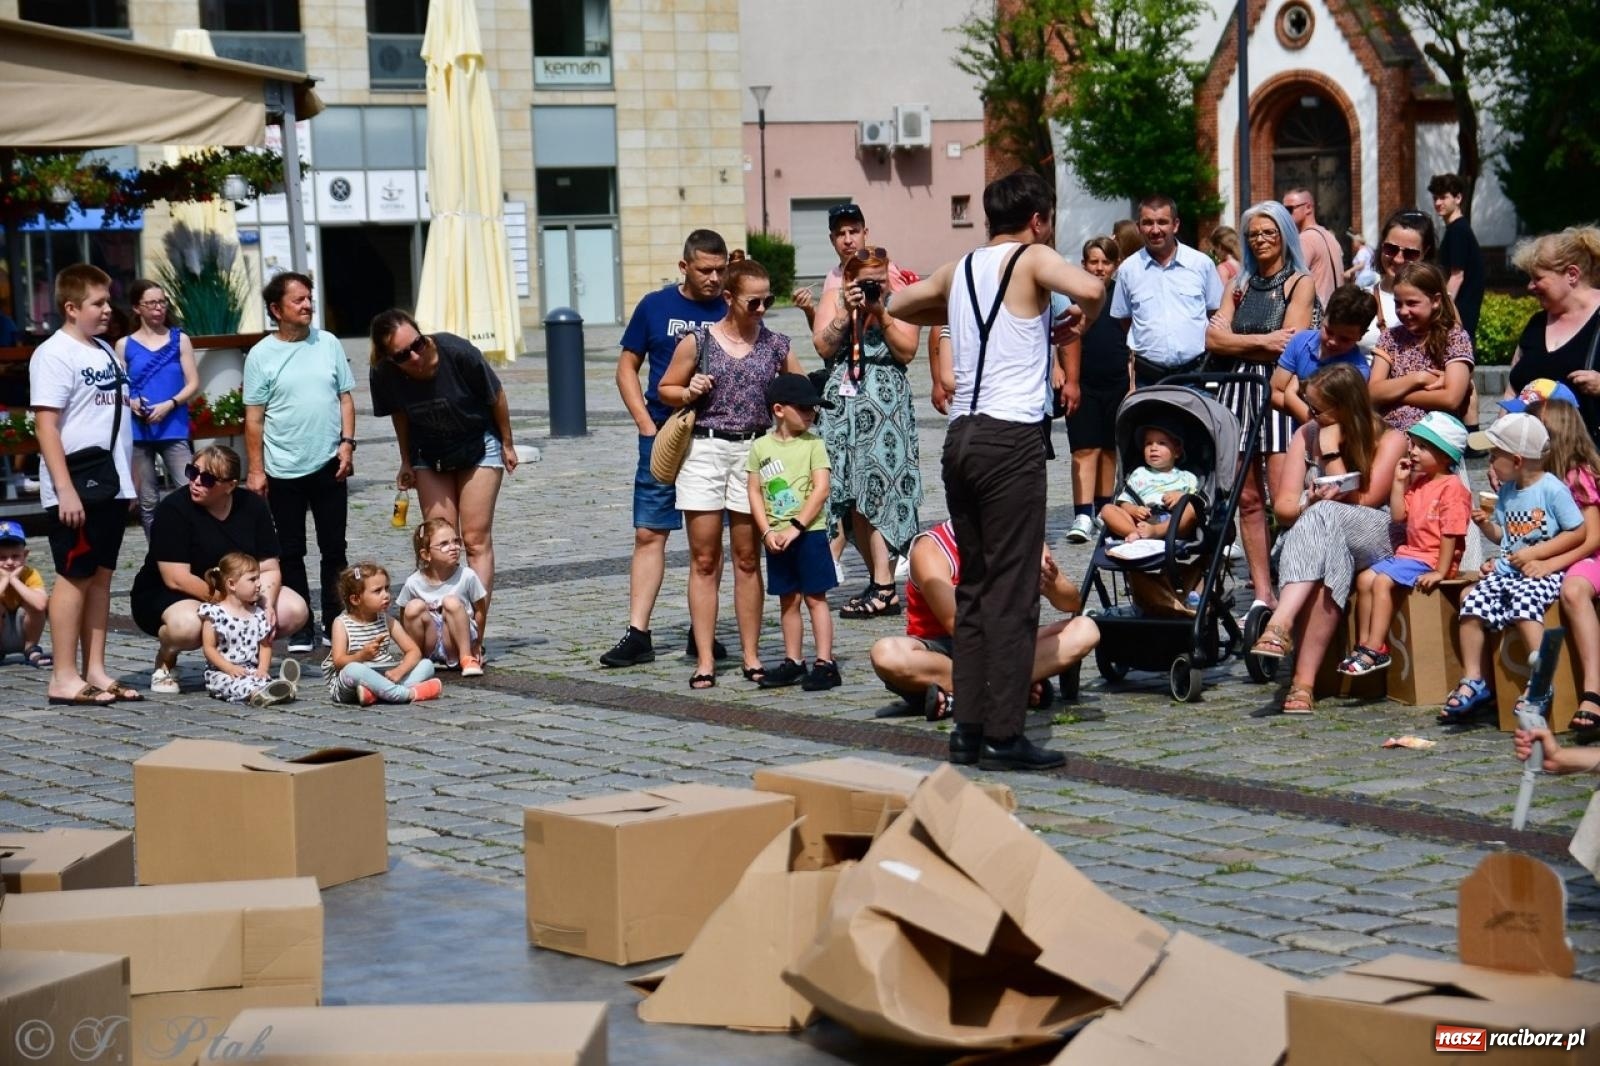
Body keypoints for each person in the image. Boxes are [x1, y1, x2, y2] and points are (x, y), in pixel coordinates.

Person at [886, 168, 1105, 771]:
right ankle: (1004, 734)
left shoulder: (960, 268)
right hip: (1011, 439)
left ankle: (968, 729)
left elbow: (900, 303)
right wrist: (1076, 318)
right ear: (1037, 219)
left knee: (976, 589)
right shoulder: (1034, 258)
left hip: (961, 436)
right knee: (1011, 594)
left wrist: (960, 316)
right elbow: (1089, 288)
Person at [658, 256, 805, 689]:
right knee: (704, 560)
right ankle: (704, 658)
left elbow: (799, 392)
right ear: (729, 298)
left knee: (747, 559)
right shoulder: (697, 341)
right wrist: (688, 390)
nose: (762, 309)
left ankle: (751, 654)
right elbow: (665, 388)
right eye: (753, 302)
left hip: (754, 454)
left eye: (767, 301)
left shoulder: (776, 344)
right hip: (704, 449)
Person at [602, 230, 730, 668]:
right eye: (704, 270)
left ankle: (703, 632)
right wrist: (644, 424)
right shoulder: (655, 306)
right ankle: (639, 633)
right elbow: (626, 368)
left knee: (707, 544)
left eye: (720, 269)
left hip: (715, 437)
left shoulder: (731, 307)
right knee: (648, 532)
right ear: (684, 267)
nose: (713, 278)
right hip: (664, 434)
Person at [1248, 364, 1408, 713]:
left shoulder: (1391, 439)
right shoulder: (1305, 433)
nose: (1310, 415)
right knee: (1327, 551)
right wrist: (1310, 502)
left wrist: (1331, 453)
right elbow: (1285, 507)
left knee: (1326, 515)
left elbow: (1368, 500)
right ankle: (1303, 687)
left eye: (1318, 409)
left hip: (1374, 531)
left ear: (1346, 408)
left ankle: (1279, 624)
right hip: (1317, 538)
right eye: (1309, 406)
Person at [368, 309, 514, 660]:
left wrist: (507, 443)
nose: (415, 356)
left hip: (478, 445)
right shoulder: (384, 374)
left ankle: (474, 635)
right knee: (439, 540)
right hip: (428, 452)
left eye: (417, 344)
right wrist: (405, 460)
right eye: (403, 354)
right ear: (390, 358)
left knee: (475, 541)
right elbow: (400, 414)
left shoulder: (456, 352)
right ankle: (442, 630)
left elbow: (496, 396)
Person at [31, 264, 138, 706]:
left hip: (110, 483)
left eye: (108, 301)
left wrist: (127, 482)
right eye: (98, 302)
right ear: (71, 308)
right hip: (75, 484)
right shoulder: (54, 354)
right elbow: (46, 427)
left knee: (101, 578)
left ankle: (94, 668)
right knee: (73, 578)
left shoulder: (105, 351)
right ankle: (62, 675)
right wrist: (64, 489)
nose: (107, 309)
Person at [869, 521, 1100, 720]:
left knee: (1085, 629)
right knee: (886, 653)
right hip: (941, 652)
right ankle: (1014, 686)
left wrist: (1054, 584)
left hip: (1003, 646)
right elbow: (958, 625)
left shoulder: (1022, 539)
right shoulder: (931, 550)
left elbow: (1072, 604)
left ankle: (963, 696)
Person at [1207, 201, 1319, 610]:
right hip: (1236, 392)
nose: (1260, 240)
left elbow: (1292, 342)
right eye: (1253, 234)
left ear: (1284, 235)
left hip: (1277, 392)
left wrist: (1239, 340)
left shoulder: (1298, 282)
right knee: (1247, 497)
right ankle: (1262, 593)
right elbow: (1213, 340)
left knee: (1284, 499)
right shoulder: (1239, 283)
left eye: (1269, 233)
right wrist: (1260, 342)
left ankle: (1295, 581)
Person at [130, 445, 310, 694]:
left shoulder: (253, 506)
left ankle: (247, 661)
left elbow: (269, 567)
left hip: (236, 589)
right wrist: (228, 607)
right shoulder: (173, 509)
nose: (195, 482)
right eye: (192, 472)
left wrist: (266, 606)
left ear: (230, 485)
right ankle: (166, 659)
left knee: (293, 610)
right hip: (172, 593)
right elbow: (176, 578)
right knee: (189, 627)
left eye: (207, 479)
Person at [1443, 414, 1587, 724]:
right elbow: (1506, 537)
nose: (1490, 461)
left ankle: (1541, 681)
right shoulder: (1508, 492)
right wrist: (1485, 527)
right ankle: (1474, 678)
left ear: (1518, 460)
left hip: (1544, 571)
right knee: (1472, 603)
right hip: (1511, 570)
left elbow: (1577, 532)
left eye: (1495, 455)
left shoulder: (1552, 489)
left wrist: (1538, 554)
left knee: (1524, 605)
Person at [244, 271, 356, 652]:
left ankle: (335, 619)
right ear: (277, 309)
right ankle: (302, 625)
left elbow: (345, 397)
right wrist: (256, 469)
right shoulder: (261, 355)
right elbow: (254, 418)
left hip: (328, 462)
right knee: (289, 550)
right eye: (298, 300)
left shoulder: (328, 344)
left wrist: (347, 444)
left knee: (334, 548)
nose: (308, 305)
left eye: (309, 298)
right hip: (282, 468)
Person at [817, 246, 922, 618]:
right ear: (849, 281)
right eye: (865, 283)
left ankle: (885, 586)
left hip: (886, 408)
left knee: (880, 491)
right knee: (851, 495)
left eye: (879, 281)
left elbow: (907, 351)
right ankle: (880, 582)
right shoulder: (835, 298)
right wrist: (848, 312)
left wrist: (880, 311)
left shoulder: (902, 300)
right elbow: (823, 346)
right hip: (844, 407)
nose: (873, 288)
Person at [1340, 412, 1471, 676]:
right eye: (1413, 444)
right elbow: (1399, 516)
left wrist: (1441, 571)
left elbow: (1451, 533)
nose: (1413, 451)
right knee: (1365, 578)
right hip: (1411, 555)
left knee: (1382, 581)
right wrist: (1399, 484)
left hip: (1432, 559)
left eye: (1423, 447)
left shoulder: (1452, 487)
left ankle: (1377, 647)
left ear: (1445, 456)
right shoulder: (1420, 482)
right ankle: (1364, 644)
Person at [745, 373, 838, 690]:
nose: (811, 414)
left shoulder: (815, 445)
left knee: (816, 598)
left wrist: (797, 527)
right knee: (788, 600)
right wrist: (766, 531)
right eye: (804, 408)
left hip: (809, 533)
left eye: (814, 408)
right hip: (777, 537)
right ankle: (793, 660)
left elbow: (821, 489)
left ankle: (825, 662)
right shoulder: (760, 447)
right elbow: (755, 492)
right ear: (779, 410)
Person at [1526, 402, 1600, 730]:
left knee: (1573, 590)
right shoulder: (1538, 479)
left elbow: (1592, 538)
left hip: (1590, 556)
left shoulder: (1578, 474)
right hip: (1563, 555)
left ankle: (1593, 692)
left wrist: (1551, 562)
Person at [1110, 194, 1223, 387]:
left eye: (1162, 222)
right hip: (1149, 377)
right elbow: (1125, 319)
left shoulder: (1201, 264)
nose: (1155, 230)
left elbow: (1215, 314)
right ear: (1138, 227)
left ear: (1175, 225)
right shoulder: (1128, 270)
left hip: (1195, 374)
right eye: (1147, 223)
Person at [1505, 227, 1600, 450]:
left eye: (1538, 278)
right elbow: (1513, 390)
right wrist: (1502, 449)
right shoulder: (1536, 323)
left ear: (1572, 275)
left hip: (1590, 469)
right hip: (1536, 466)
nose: (1530, 286)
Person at [117, 280, 198, 535]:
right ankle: (159, 555)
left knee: (189, 488)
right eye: (151, 303)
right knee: (148, 500)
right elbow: (118, 391)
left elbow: (193, 383)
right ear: (137, 308)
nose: (158, 308)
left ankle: (192, 547)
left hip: (173, 426)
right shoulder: (124, 345)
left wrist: (170, 404)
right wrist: (133, 404)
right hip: (139, 431)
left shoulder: (180, 339)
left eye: (162, 302)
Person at [1063, 236, 1128, 543]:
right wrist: (1058, 370)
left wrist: (1131, 381)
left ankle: (1104, 509)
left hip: (1116, 381)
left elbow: (1131, 342)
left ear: (1115, 265)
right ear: (1084, 264)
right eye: (1094, 261)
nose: (1099, 268)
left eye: (1106, 262)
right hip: (1083, 381)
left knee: (1107, 448)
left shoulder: (1121, 295)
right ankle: (1083, 513)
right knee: (1083, 448)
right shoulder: (1074, 296)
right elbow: (1060, 337)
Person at [1368, 262, 1474, 432]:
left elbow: (1451, 398)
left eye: (1412, 303)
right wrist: (1419, 378)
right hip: (1390, 432)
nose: (1403, 311)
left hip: (1435, 436)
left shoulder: (1454, 338)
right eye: (1398, 303)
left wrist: (1395, 395)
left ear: (1436, 301)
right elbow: (1373, 392)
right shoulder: (1390, 338)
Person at [325, 561, 442, 705]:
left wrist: (399, 671)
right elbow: (338, 662)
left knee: (426, 664)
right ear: (355, 599)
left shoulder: (387, 620)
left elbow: (414, 651)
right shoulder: (341, 623)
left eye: (386, 589)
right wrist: (361, 655)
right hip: (352, 683)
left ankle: (376, 694)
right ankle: (405, 693)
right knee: (352, 669)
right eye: (377, 591)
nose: (386, 595)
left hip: (384, 675)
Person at [810, 204, 910, 358]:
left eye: (854, 232)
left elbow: (905, 320)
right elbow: (821, 334)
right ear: (832, 239)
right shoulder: (832, 276)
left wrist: (879, 312)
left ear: (865, 233)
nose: (848, 240)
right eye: (841, 234)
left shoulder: (886, 271)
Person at [1271, 284, 1376, 424]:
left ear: (1361, 336)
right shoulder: (1300, 341)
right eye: (1329, 331)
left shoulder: (1357, 371)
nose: (1332, 342)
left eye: (1344, 339)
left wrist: (1291, 397)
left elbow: (1330, 422)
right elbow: (1274, 392)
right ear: (1323, 317)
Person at [398, 517, 489, 677]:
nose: (453, 547)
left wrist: (478, 644)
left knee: (451, 602)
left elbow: (480, 610)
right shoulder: (414, 582)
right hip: (429, 640)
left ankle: (466, 658)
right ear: (426, 555)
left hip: (455, 639)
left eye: (455, 541)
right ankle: (416, 657)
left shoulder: (467, 576)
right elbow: (403, 613)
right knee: (413, 607)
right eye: (444, 544)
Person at [198, 551, 292, 706]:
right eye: (252, 579)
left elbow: (265, 646)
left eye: (258, 578)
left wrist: (262, 669)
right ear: (232, 584)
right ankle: (257, 695)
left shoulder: (259, 614)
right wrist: (228, 668)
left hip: (250, 670)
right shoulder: (214, 613)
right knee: (233, 684)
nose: (259, 584)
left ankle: (277, 690)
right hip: (221, 672)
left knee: (263, 680)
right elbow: (209, 648)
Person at [1099, 426, 1200, 543]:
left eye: (1162, 443)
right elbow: (1124, 502)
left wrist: (1181, 496)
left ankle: (1156, 531)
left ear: (1177, 452)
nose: (1153, 448)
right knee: (1107, 509)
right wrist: (1133, 510)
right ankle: (1135, 533)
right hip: (1144, 520)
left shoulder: (1187, 477)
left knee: (1192, 509)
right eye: (1148, 443)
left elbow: (1197, 502)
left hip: (1174, 522)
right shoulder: (1139, 473)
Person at [1359, 209, 1437, 351]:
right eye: (1391, 249)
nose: (1398, 259)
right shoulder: (1361, 298)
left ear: (1425, 253)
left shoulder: (1438, 301)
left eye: (1410, 253)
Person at [1429, 173, 1486, 340]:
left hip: (1460, 314)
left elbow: (1457, 276)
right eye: (1435, 198)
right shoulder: (1457, 229)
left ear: (1458, 198)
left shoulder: (1458, 231)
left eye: (1443, 197)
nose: (1438, 203)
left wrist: (1440, 309)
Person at [1282, 186, 1345, 306]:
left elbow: (1291, 281)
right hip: (1334, 313)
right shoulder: (1329, 236)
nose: (1285, 215)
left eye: (1289, 209)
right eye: (1283, 210)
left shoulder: (1305, 239)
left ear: (1308, 208)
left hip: (1314, 317)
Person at [0, 520, 49, 667]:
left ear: (25, 554)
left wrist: (14, 580)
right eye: (2, 557)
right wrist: (4, 580)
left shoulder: (30, 574)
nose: (9, 562)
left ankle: (31, 649)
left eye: (15, 556)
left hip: (25, 633)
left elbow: (41, 605)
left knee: (32, 601)